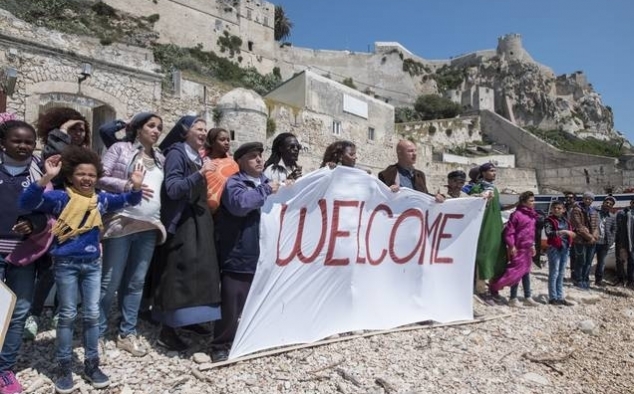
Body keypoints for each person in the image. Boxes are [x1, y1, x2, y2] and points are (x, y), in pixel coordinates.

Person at [20, 146, 144, 393]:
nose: (87, 179)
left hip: (92, 264)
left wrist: (136, 185)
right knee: (67, 314)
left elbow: (129, 199)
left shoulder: (102, 199)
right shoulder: (60, 198)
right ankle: (64, 366)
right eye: (81, 174)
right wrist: (45, 177)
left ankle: (91, 364)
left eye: (91, 175)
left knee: (91, 315)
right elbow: (27, 202)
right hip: (65, 264)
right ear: (69, 176)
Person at [97, 112, 166, 357]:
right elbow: (100, 177)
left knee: (135, 283)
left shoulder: (160, 157)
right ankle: (97, 333)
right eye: (151, 125)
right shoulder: (120, 149)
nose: (156, 130)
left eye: (159, 127)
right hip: (122, 221)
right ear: (138, 128)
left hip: (149, 225)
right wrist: (127, 185)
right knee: (110, 282)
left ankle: (127, 332)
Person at [150, 116, 221, 351]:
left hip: (199, 222)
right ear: (184, 131)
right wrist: (199, 174)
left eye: (205, 130)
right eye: (198, 129)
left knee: (202, 271)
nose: (203, 133)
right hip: (183, 224)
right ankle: (168, 330)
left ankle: (193, 319)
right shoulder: (176, 154)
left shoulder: (196, 156)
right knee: (179, 272)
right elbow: (172, 189)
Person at [212, 142, 279, 362]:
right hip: (239, 254)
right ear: (240, 162)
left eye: (260, 156)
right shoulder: (235, 183)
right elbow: (240, 204)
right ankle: (221, 344)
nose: (259, 160)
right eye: (253, 157)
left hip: (265, 255)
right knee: (232, 303)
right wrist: (267, 190)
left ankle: (255, 337)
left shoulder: (270, 184)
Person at [0, 120, 51, 394]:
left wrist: (34, 223)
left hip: (23, 253)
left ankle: (4, 370)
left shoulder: (40, 174)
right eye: (16, 141)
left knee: (18, 311)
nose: (23, 146)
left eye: (29, 142)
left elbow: (49, 211)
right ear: (3, 143)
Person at [489, 191, 539, 307]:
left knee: (526, 273)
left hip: (527, 249)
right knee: (515, 273)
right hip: (518, 249)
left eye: (533, 200)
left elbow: (531, 233)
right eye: (531, 201)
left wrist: (533, 245)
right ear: (524, 202)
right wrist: (511, 246)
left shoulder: (532, 215)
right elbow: (509, 232)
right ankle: (511, 297)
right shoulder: (516, 215)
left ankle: (527, 297)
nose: (533, 203)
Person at [468, 162, 508, 304]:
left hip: (495, 228)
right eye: (491, 171)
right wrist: (481, 196)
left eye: (495, 171)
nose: (494, 173)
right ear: (483, 173)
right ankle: (481, 290)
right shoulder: (478, 187)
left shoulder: (494, 189)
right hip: (484, 229)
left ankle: (493, 288)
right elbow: (473, 202)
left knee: (496, 257)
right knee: (483, 259)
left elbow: (498, 208)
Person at [379, 139, 444, 201]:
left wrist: (436, 197)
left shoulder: (420, 175)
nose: (414, 154)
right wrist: (388, 192)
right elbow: (379, 197)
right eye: (410, 151)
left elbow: (424, 195)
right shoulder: (387, 174)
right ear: (400, 154)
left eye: (415, 150)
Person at [544, 200, 575, 305]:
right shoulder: (549, 220)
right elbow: (549, 233)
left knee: (561, 273)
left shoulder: (565, 220)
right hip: (554, 248)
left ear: (563, 210)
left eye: (559, 208)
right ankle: (553, 297)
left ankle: (560, 297)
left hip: (565, 248)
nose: (556, 210)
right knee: (554, 272)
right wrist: (564, 232)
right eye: (554, 208)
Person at [203, 128, 239, 213]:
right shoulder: (203, 162)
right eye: (222, 140)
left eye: (228, 140)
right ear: (212, 142)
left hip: (230, 213)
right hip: (208, 213)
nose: (227, 143)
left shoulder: (233, 163)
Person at [569, 191, 599, 289]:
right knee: (581, 260)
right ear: (583, 199)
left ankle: (585, 279)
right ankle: (578, 279)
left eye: (590, 199)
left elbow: (596, 226)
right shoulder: (576, 210)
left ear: (592, 200)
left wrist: (594, 236)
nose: (588, 200)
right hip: (580, 240)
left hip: (592, 241)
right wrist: (590, 237)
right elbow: (578, 226)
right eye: (586, 198)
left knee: (589, 261)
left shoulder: (594, 211)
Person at [593, 196, 616, 286]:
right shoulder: (595, 213)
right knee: (588, 260)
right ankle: (583, 279)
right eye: (607, 202)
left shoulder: (612, 217)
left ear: (612, 206)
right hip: (594, 241)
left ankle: (598, 280)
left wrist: (610, 241)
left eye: (610, 204)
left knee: (601, 262)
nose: (608, 205)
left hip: (605, 243)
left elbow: (614, 230)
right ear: (603, 203)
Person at [614, 199, 634, 287]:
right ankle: (620, 280)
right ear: (631, 203)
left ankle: (631, 281)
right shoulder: (622, 213)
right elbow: (617, 227)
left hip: (632, 242)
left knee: (632, 261)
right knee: (620, 260)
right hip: (622, 241)